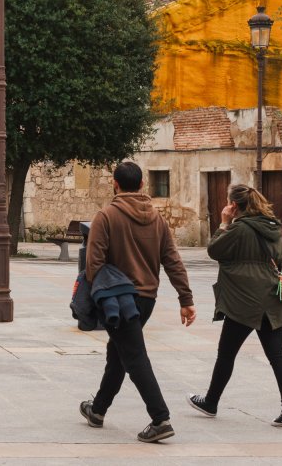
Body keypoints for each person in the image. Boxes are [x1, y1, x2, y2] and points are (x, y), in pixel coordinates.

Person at [79, 162, 195, 443]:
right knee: (117, 352)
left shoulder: (106, 216)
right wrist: (185, 298)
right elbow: (172, 260)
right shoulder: (158, 218)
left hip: (118, 301)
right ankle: (98, 409)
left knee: (133, 356)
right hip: (146, 300)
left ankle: (160, 419)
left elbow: (93, 264)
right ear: (143, 184)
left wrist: (98, 293)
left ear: (115, 184)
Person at [187, 183, 282, 428]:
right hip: (271, 299)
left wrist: (224, 222)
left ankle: (211, 402)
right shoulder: (272, 227)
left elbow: (214, 250)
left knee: (226, 354)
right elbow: (278, 260)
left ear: (234, 205)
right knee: (278, 356)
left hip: (244, 303)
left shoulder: (240, 228)